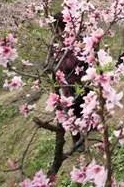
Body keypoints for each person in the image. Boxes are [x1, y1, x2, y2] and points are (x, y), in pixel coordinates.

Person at [53, 13, 88, 152]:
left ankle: (89, 126)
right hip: (70, 84)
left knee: (87, 105)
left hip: (83, 79)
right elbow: (65, 65)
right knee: (74, 112)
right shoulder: (57, 44)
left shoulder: (77, 36)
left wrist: (85, 49)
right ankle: (77, 141)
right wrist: (78, 53)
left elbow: (89, 54)